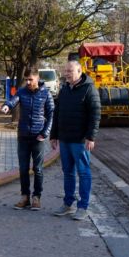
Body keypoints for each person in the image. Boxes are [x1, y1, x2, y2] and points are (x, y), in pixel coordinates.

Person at [50, 60, 101, 221]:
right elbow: (57, 113)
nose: (66, 73)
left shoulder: (89, 89)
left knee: (84, 173)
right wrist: (54, 135)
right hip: (64, 139)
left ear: (79, 72)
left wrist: (91, 137)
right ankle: (68, 204)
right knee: (68, 173)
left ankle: (83, 207)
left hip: (80, 141)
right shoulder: (64, 89)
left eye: (70, 71)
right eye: (65, 71)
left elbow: (95, 113)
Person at [1, 67, 54, 211]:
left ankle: (36, 197)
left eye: (31, 79)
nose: (28, 82)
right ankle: (25, 197)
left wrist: (45, 133)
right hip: (23, 136)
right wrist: (6, 105)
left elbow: (51, 115)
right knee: (23, 168)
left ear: (37, 78)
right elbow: (13, 100)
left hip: (38, 137)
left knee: (37, 168)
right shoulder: (22, 92)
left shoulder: (46, 93)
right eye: (26, 80)